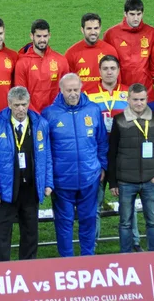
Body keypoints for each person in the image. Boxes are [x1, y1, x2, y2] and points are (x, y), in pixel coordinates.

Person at [0, 86, 53, 262]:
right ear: (9, 104)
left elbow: (47, 157)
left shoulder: (40, 124)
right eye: (16, 105)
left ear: (29, 103)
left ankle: (28, 269)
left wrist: (48, 183)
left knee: (30, 232)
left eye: (24, 104)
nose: (21, 109)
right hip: (6, 190)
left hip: (30, 188)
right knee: (1, 233)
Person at [41, 73, 108, 257]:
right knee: (64, 223)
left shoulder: (93, 110)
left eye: (76, 89)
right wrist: (49, 177)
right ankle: (67, 261)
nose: (73, 93)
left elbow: (101, 141)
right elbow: (44, 150)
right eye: (68, 90)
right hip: (62, 181)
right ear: (61, 90)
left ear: (81, 88)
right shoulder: (49, 114)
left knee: (88, 220)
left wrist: (102, 166)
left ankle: (88, 258)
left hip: (89, 178)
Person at [83, 55, 141, 251]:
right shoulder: (87, 94)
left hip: (123, 155)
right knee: (94, 205)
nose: (109, 72)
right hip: (98, 156)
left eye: (113, 68)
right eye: (105, 68)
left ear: (118, 70)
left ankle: (133, 244)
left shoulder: (128, 92)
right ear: (99, 71)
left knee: (127, 204)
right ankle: (91, 246)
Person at [108, 83, 154, 253]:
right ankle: (126, 256)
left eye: (142, 99)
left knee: (153, 220)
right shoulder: (119, 120)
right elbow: (112, 152)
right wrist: (113, 182)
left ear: (147, 99)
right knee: (125, 222)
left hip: (151, 180)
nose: (139, 103)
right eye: (135, 100)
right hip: (126, 182)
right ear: (128, 100)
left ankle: (153, 254)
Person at [103, 0, 154, 109]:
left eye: (139, 14)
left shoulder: (151, 33)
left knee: (149, 126)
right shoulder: (111, 34)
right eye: (132, 14)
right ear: (125, 13)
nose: (136, 18)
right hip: (121, 94)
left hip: (146, 93)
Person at [14, 19, 69, 113]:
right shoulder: (22, 63)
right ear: (32, 36)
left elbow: (66, 90)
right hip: (32, 117)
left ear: (49, 35)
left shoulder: (61, 60)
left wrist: (57, 113)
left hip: (56, 115)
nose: (42, 40)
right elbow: (21, 95)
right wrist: (36, 117)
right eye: (39, 36)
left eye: (45, 36)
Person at [65, 13, 119, 90]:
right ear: (82, 30)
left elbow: (117, 79)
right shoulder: (71, 53)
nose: (93, 32)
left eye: (96, 28)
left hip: (105, 100)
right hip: (83, 101)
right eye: (89, 28)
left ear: (100, 28)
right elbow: (67, 82)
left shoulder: (110, 51)